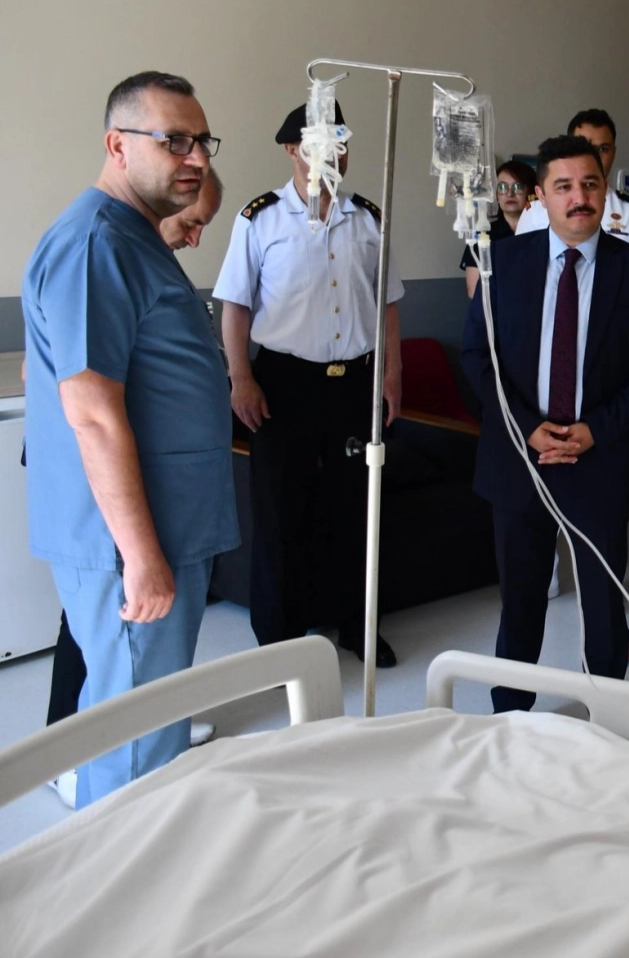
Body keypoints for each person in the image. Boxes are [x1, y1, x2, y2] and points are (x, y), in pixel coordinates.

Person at [22, 71, 237, 807]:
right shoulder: (96, 244)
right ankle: (126, 872)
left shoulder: (134, 240)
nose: (195, 157)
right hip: (130, 545)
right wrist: (141, 559)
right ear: (118, 145)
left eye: (201, 141)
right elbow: (91, 413)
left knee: (143, 724)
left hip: (163, 529)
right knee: (136, 747)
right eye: (173, 140)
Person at [463, 135, 629, 702]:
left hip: (599, 461)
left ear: (604, 191)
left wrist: (595, 429)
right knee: (520, 604)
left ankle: (606, 717)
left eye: (589, 184)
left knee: (604, 609)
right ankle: (512, 717)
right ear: (541, 196)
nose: (578, 198)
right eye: (563, 186)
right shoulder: (502, 263)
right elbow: (478, 358)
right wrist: (527, 428)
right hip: (520, 459)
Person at [215, 102, 405, 668]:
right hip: (284, 383)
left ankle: (358, 626)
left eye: (340, 144)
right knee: (281, 514)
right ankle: (279, 643)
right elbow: (235, 305)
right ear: (292, 150)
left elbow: (387, 305)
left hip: (355, 384)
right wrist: (241, 377)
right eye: (319, 145)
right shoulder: (260, 218)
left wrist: (392, 373)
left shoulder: (369, 219)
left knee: (358, 509)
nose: (332, 155)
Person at [517, 109, 629, 240]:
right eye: (585, 147)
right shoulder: (533, 212)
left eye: (603, 149)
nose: (594, 156)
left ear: (613, 153)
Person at [461, 158, 537, 298]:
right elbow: (473, 292)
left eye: (518, 187)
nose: (509, 193)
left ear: (531, 192)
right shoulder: (483, 235)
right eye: (502, 187)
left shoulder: (542, 232)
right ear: (496, 194)